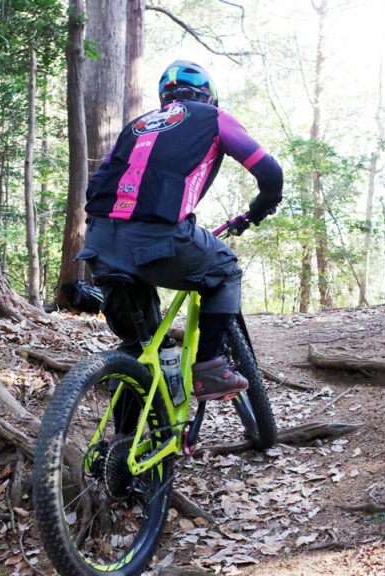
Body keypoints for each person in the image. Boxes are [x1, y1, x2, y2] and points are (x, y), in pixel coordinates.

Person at [76, 60, 284, 401]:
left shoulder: (136, 126)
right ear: (208, 95)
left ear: (164, 97)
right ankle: (208, 368)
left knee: (136, 350)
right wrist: (259, 209)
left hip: (99, 244)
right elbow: (270, 173)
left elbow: (97, 185)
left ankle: (122, 447)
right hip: (159, 240)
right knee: (226, 269)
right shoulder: (213, 118)